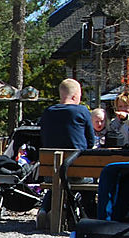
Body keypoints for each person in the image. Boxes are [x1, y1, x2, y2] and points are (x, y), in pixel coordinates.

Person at [36, 78, 94, 224]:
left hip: (51, 170)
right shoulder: (82, 111)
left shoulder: (48, 112)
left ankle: (44, 210)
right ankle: (90, 215)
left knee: (56, 182)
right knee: (88, 184)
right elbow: (91, 141)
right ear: (75, 96)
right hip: (77, 169)